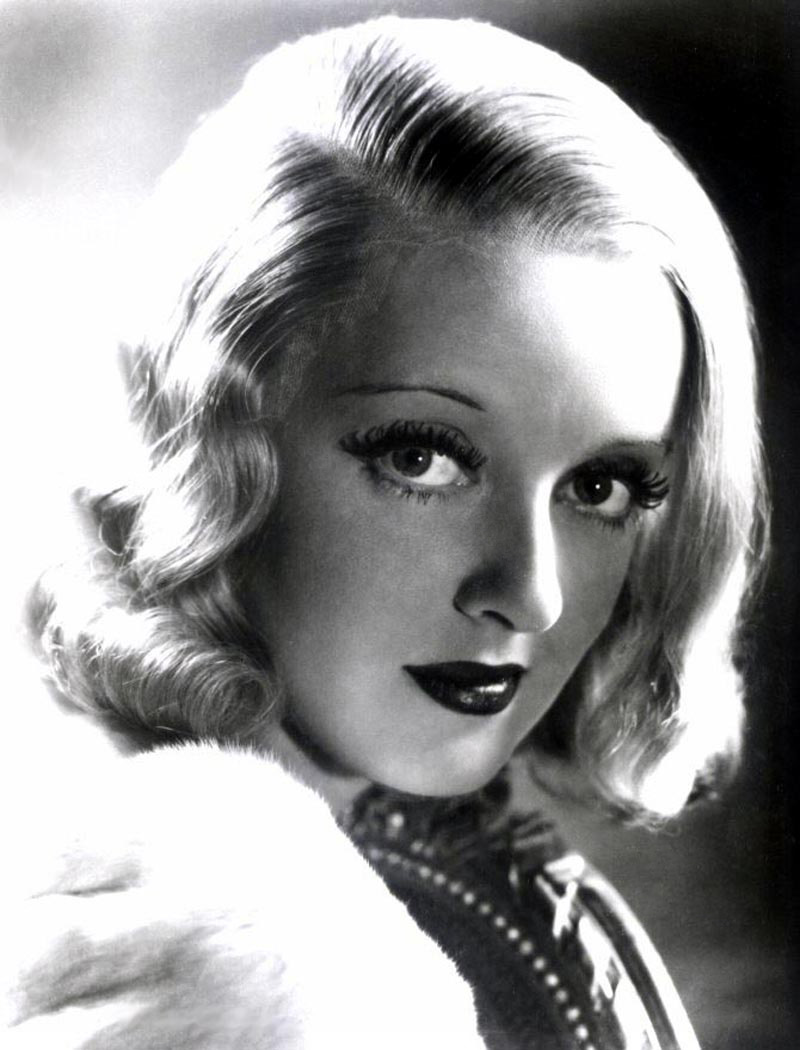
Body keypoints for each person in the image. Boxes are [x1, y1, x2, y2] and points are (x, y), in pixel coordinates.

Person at [4, 15, 767, 1050]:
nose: (531, 593)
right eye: (422, 458)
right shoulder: (232, 962)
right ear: (215, 441)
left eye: (599, 486)